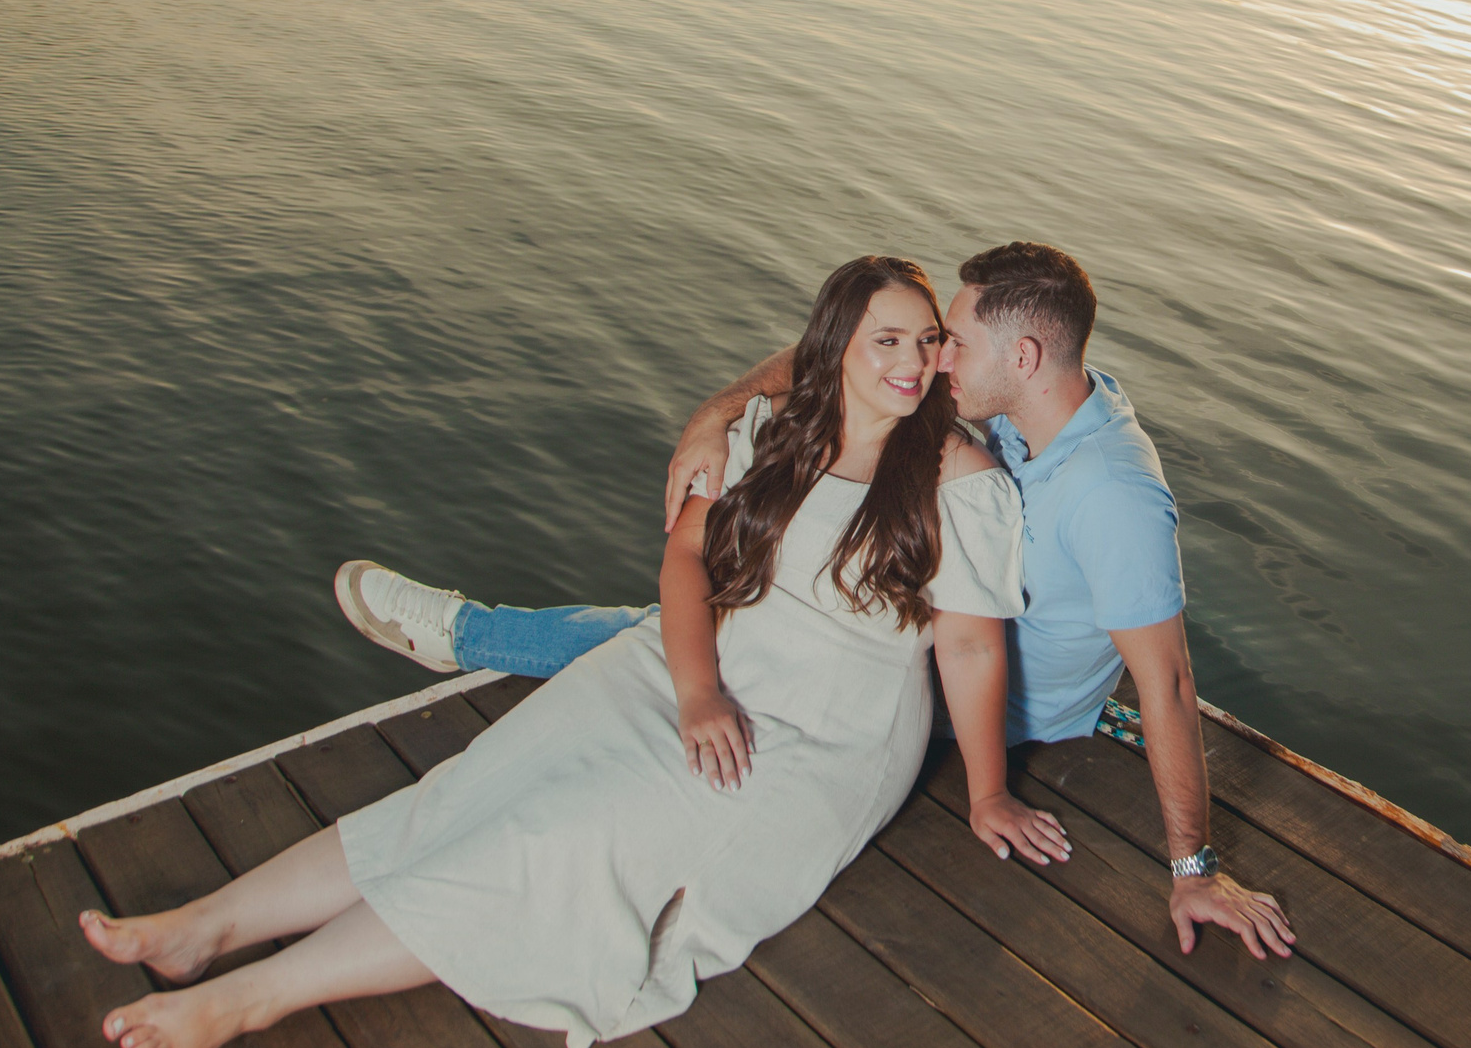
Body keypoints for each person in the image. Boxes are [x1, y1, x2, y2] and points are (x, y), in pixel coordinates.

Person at [80, 256, 1061, 1048]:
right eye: (884, 339)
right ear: (833, 350)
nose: (913, 359)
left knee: (556, 833)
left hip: (824, 729)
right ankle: (207, 924)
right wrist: (696, 686)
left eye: (927, 339)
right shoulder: (771, 431)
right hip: (697, 665)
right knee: (482, 784)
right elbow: (684, 560)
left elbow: (971, 646)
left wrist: (985, 793)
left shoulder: (958, 483)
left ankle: (250, 998)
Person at [337, 241, 1295, 960]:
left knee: (689, 638)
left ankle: (468, 632)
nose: (935, 360)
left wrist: (1194, 871)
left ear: (1027, 354)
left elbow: (1166, 680)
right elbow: (832, 357)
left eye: (949, 343)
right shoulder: (1038, 398)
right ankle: (486, 631)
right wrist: (712, 419)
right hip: (924, 614)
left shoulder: (1113, 495)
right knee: (723, 604)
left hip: (952, 694)